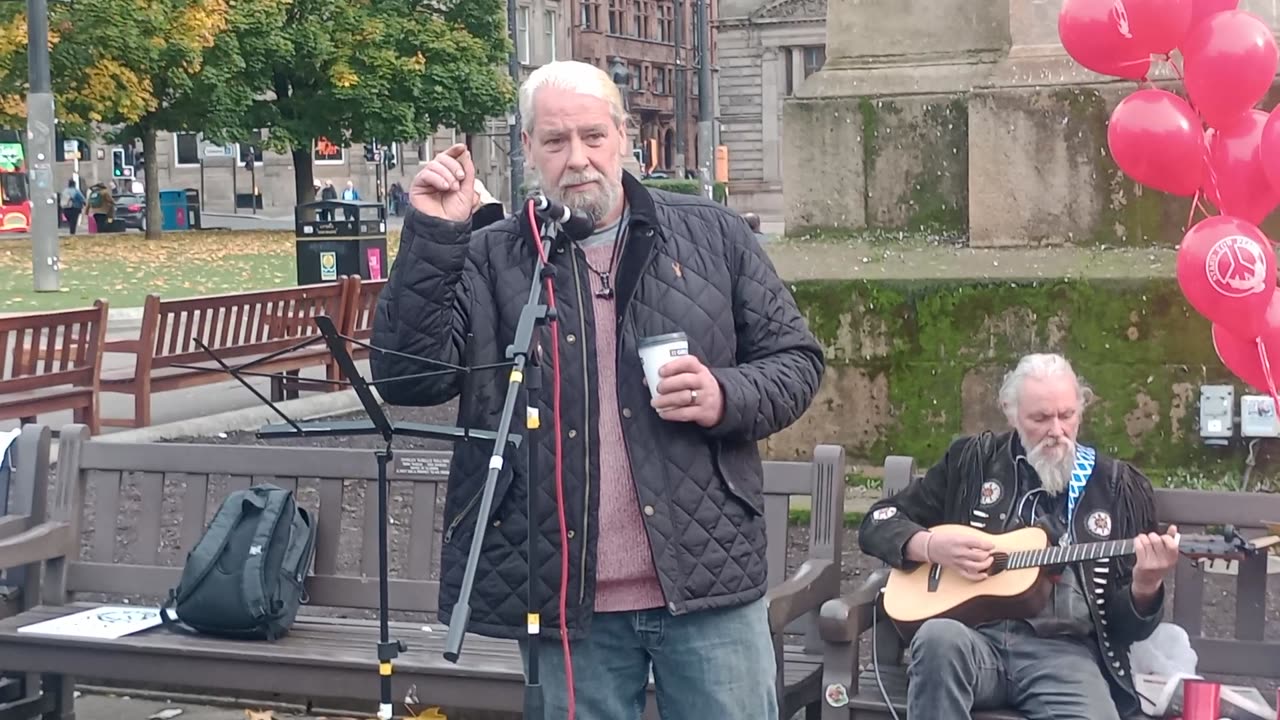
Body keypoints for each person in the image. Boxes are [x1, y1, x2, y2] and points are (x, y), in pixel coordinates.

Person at [372, 60, 824, 719]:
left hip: (705, 583)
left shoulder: (712, 236)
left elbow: (796, 360)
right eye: (555, 141)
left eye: (592, 136)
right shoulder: (493, 256)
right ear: (527, 148)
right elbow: (410, 378)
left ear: (622, 136)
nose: (577, 158)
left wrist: (725, 396)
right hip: (562, 596)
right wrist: (435, 236)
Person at [858, 353, 1181, 720]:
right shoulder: (973, 462)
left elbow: (1127, 629)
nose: (1056, 431)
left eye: (1067, 415)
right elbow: (878, 521)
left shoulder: (1115, 487)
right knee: (936, 639)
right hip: (973, 640)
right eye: (1040, 418)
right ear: (1011, 414)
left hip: (1065, 655)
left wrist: (1146, 585)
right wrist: (931, 546)